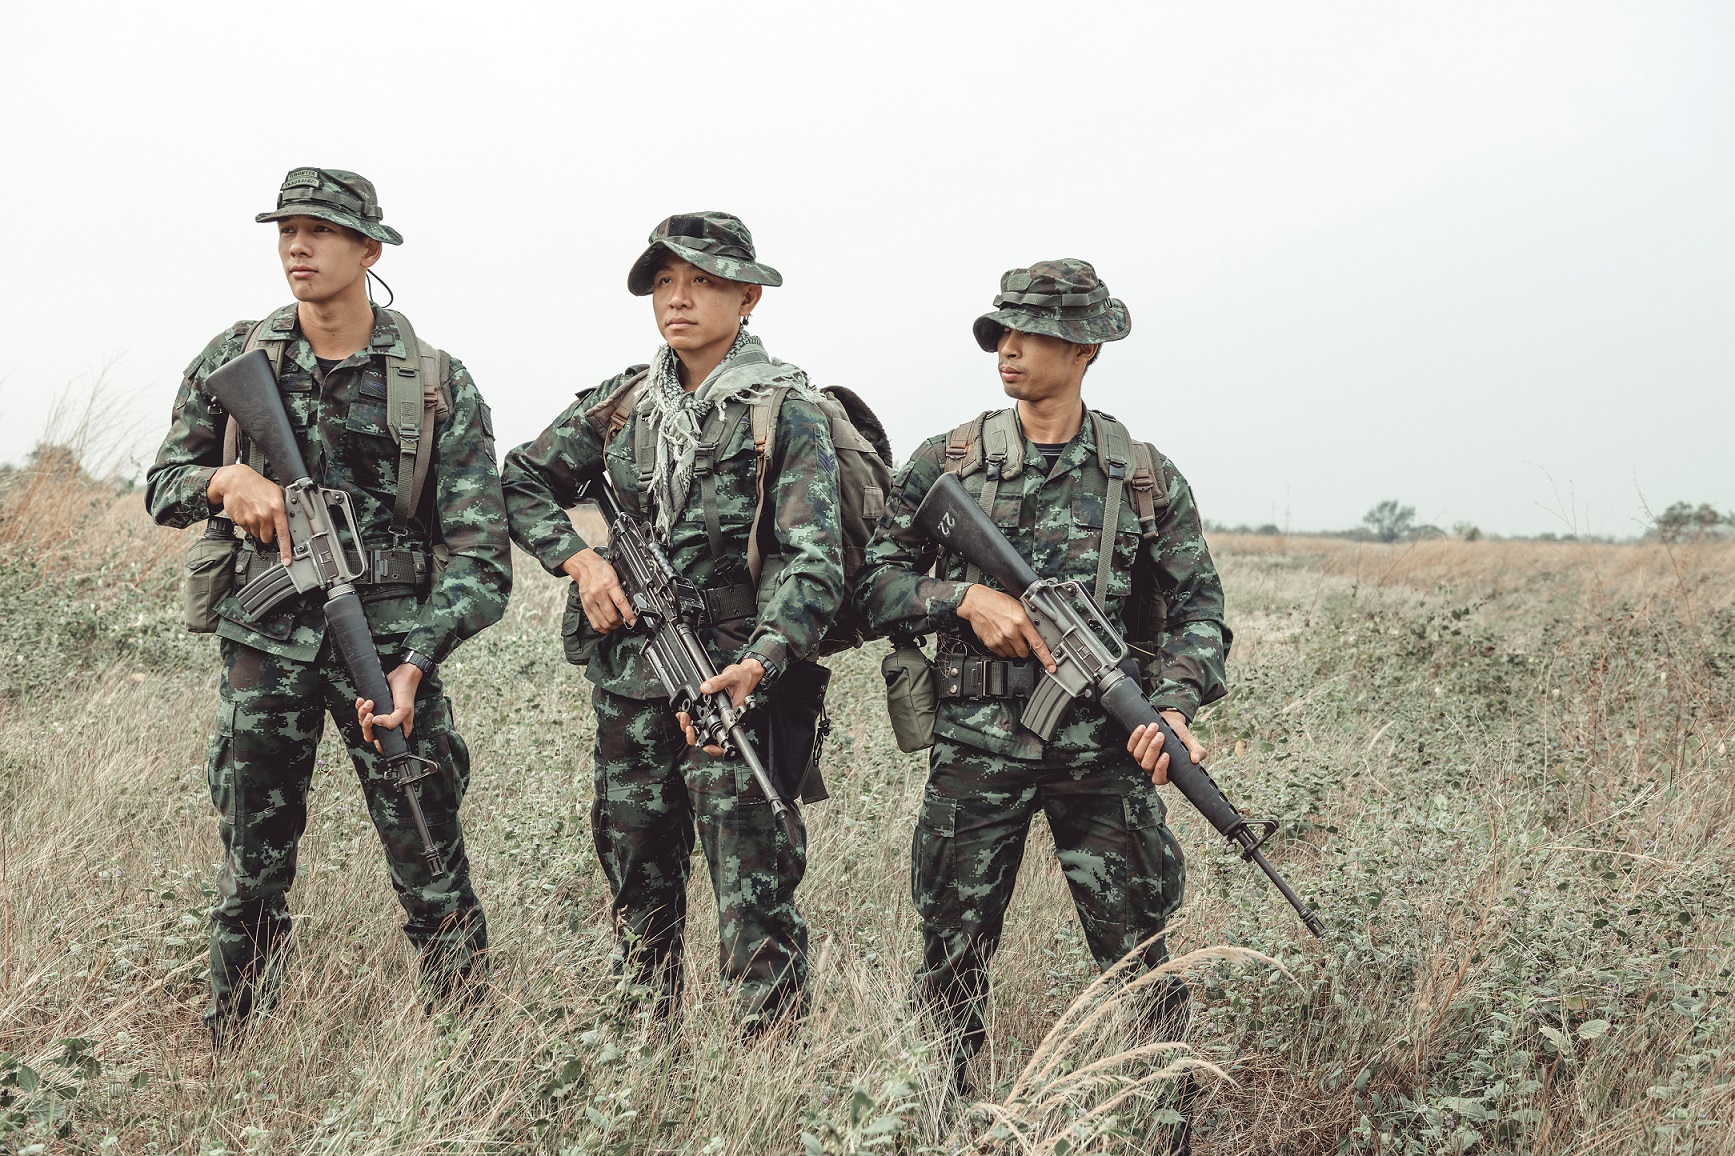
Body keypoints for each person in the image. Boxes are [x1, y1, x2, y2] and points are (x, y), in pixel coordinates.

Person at [854, 259, 1231, 1119]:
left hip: (1105, 753)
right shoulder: (948, 461)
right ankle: (938, 1121)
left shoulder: (1142, 476)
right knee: (950, 955)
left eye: (1032, 335)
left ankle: (1159, 1125)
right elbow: (872, 586)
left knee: (1140, 956)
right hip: (975, 749)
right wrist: (964, 599)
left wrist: (1173, 704)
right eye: (1003, 333)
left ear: (1086, 348)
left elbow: (1199, 612)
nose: (1009, 350)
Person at [145, 167, 511, 1039]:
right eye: (287, 232)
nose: (298, 248)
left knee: (429, 854)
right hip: (266, 643)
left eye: (320, 232)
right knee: (250, 866)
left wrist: (416, 662)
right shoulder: (237, 359)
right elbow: (163, 484)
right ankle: (234, 1043)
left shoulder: (434, 381)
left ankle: (468, 1048)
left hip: (386, 655)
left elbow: (481, 556)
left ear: (369, 250)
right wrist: (225, 481)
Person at [499, 212, 843, 1030]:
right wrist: (581, 562)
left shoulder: (784, 411)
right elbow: (522, 479)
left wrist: (761, 662)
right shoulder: (624, 406)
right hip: (631, 682)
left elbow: (814, 560)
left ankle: (769, 1068)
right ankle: (643, 1060)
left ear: (748, 298)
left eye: (702, 282)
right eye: (663, 282)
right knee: (636, 888)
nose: (677, 298)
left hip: (734, 682)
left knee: (754, 898)